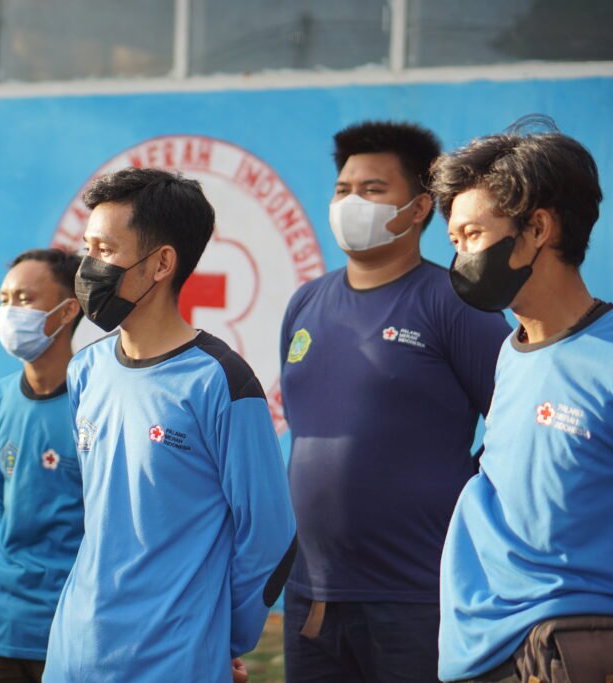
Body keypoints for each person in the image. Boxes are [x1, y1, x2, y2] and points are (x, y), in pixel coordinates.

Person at [43, 168, 296, 683]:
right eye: (87, 248)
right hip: (74, 653)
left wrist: (222, 638)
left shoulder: (221, 382)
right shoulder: (85, 369)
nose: (89, 266)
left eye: (106, 250)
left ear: (161, 263)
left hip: (173, 662)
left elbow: (270, 537)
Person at [279, 121, 511, 682]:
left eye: (373, 190)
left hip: (415, 593)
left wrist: (454, 501)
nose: (350, 202)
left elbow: (513, 422)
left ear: (419, 208)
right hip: (312, 593)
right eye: (342, 190)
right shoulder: (305, 303)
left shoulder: (456, 302)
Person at [432, 125, 613, 682]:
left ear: (538, 228)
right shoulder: (513, 352)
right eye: (453, 241)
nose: (459, 257)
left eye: (472, 235)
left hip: (566, 651)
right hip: (483, 655)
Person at [0, 249, 84, 683]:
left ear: (67, 310)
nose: (9, 312)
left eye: (24, 299)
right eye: (4, 299)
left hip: (72, 632)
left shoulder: (96, 403)